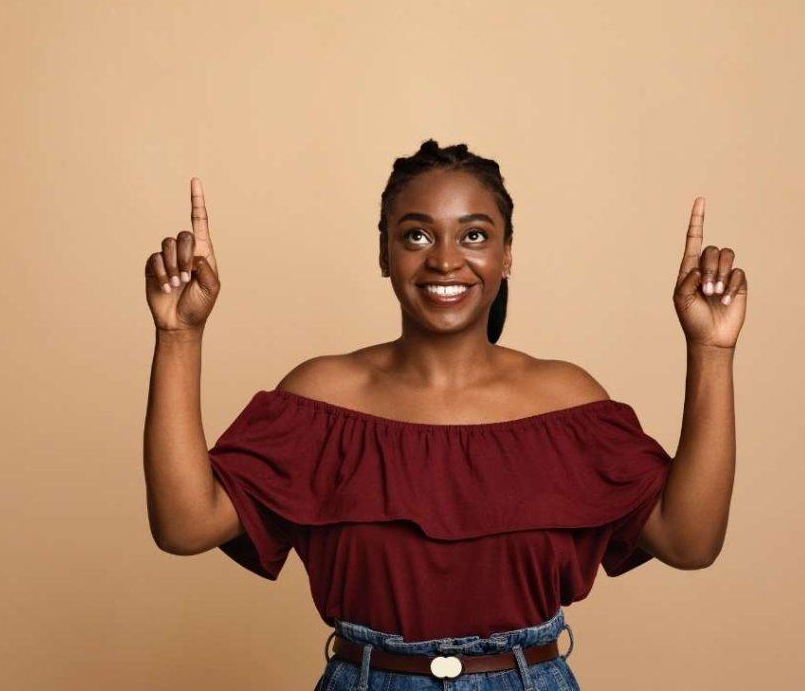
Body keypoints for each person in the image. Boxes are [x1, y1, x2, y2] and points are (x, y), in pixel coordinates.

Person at [143, 139, 744, 691]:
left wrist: (711, 350)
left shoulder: (567, 401)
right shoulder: (322, 397)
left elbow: (689, 541)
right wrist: (179, 334)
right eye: (417, 236)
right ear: (385, 253)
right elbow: (185, 525)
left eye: (475, 235)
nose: (446, 260)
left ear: (507, 255)